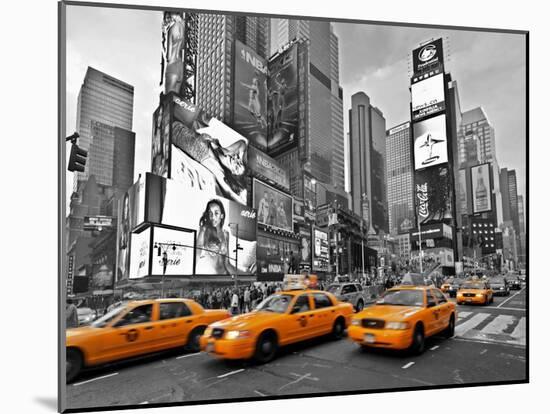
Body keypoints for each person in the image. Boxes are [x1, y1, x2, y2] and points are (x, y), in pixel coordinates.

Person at [171, 121, 248, 204]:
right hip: (178, 125)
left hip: (172, 133)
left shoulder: (219, 172)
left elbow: (230, 193)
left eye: (236, 168)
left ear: (231, 173)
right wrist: (237, 156)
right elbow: (242, 143)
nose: (236, 162)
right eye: (239, 163)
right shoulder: (222, 150)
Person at [195, 199, 241, 275]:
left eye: (216, 213)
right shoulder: (204, 230)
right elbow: (197, 254)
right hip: (211, 277)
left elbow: (227, 263)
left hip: (225, 275)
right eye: (210, 213)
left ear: (222, 215)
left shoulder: (226, 234)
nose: (213, 217)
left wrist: (240, 276)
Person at [161, 12, 185, 95]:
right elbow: (182, 46)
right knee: (177, 99)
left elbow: (168, 56)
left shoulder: (170, 30)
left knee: (169, 100)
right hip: (180, 66)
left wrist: (163, 48)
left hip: (172, 67)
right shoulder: (181, 27)